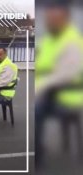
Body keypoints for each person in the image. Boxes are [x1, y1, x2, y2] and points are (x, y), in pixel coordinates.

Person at [35, 2, 83, 167]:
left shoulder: (72, 41)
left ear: (65, 20)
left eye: (54, 19)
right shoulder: (50, 39)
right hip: (53, 93)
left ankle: (38, 153)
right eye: (48, 19)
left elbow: (66, 74)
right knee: (37, 105)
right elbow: (43, 64)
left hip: (69, 96)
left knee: (37, 110)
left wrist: (42, 85)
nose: (50, 22)